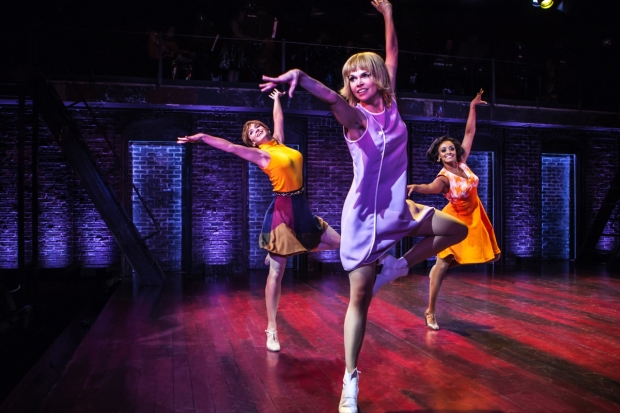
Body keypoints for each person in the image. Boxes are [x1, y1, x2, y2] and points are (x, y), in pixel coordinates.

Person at [259, 1, 467, 412]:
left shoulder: (392, 106)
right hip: (363, 218)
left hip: (398, 209)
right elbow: (329, 99)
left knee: (456, 231)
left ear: (379, 79)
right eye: (350, 77)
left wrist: (389, 15)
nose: (356, 81)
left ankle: (399, 267)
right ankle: (349, 381)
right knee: (361, 300)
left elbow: (391, 54)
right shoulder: (353, 119)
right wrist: (301, 76)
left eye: (363, 74)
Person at [177, 90, 341, 352]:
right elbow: (230, 147)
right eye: (251, 132)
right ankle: (272, 329)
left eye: (257, 126)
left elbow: (278, 120)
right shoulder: (261, 154)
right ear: (252, 143)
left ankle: (280, 251)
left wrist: (276, 99)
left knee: (339, 244)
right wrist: (202, 137)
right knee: (276, 273)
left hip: (301, 206)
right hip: (283, 211)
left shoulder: (280, 143)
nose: (255, 130)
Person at [407, 89, 501, 330]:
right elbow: (431, 187)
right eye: (444, 151)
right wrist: (417, 186)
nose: (449, 152)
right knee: (444, 262)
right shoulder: (444, 176)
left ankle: (434, 274)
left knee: (473, 259)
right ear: (439, 158)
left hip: (475, 216)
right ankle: (430, 311)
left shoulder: (462, 163)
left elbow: (470, 132)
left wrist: (472, 107)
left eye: (450, 149)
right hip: (455, 219)